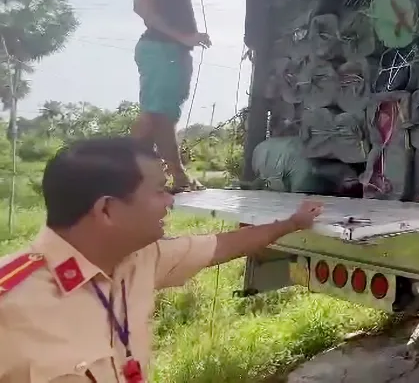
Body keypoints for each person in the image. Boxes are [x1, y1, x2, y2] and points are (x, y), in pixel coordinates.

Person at [0, 137, 323, 382]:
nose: (169, 201)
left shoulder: (140, 259)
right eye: (158, 191)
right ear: (107, 210)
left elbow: (224, 246)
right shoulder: (11, 303)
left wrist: (291, 224)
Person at [131, 0, 229, 193]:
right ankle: (175, 176)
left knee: (156, 117)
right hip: (162, 50)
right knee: (159, 117)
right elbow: (141, 6)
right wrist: (182, 37)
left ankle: (134, 177)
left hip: (170, 51)